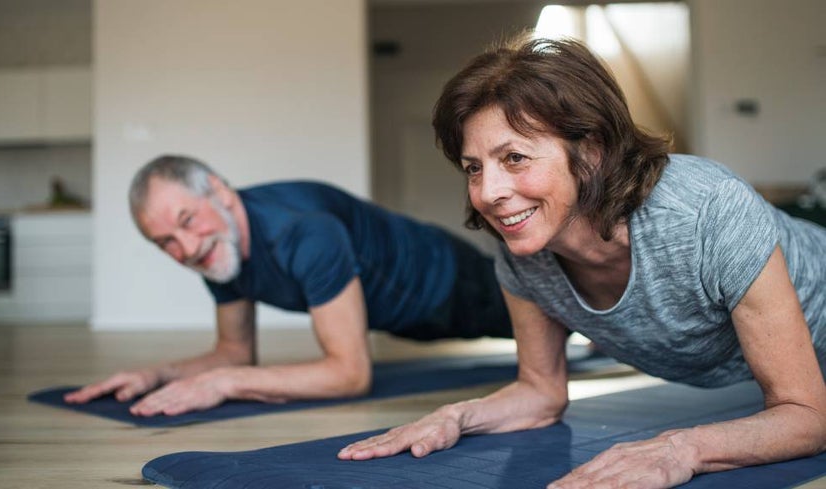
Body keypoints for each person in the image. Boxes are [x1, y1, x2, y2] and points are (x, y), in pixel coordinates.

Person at [337, 36, 826, 488]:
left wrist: (681, 448)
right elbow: (540, 392)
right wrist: (457, 417)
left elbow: (806, 414)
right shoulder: (525, 251)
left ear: (592, 150)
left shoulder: (708, 211)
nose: (488, 193)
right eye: (474, 168)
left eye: (514, 158)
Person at [64, 155, 512, 416]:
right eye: (166, 243)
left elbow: (350, 374)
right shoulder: (219, 250)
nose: (186, 248)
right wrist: (154, 375)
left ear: (219, 193)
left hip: (450, 282)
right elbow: (234, 353)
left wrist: (225, 384)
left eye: (187, 221)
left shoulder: (302, 232)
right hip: (405, 315)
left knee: (559, 315)